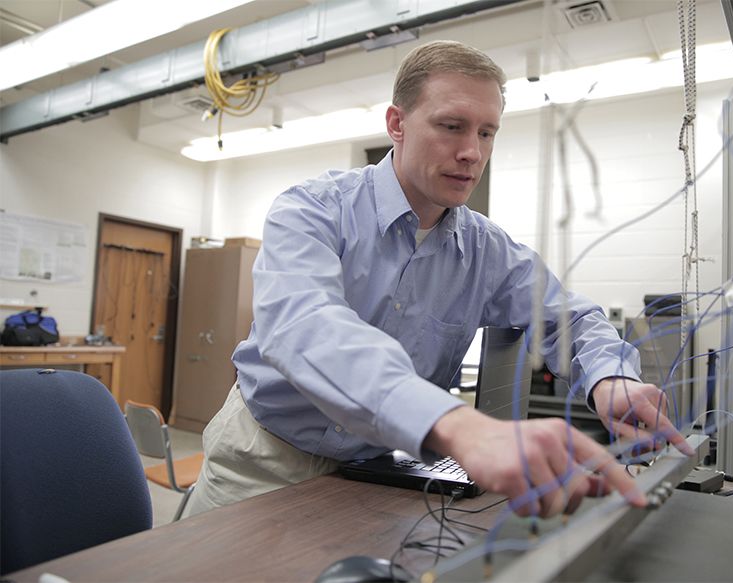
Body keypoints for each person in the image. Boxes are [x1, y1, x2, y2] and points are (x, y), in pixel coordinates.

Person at [186, 40, 692, 519]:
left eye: (487, 132)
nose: (472, 151)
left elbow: (572, 317)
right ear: (397, 123)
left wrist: (611, 379)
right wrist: (455, 425)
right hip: (263, 461)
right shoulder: (313, 210)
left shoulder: (488, 252)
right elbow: (306, 328)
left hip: (378, 472)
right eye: (452, 126)